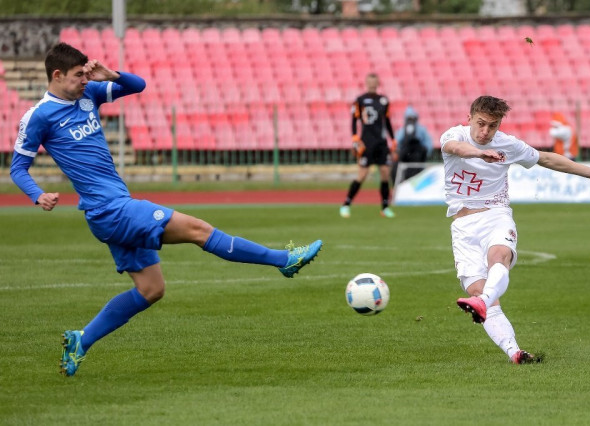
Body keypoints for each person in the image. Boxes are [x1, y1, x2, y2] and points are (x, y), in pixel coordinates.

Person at [10, 43, 323, 377]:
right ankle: (283, 260)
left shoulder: (89, 94)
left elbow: (138, 85)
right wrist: (37, 195)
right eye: (78, 75)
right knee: (199, 230)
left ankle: (81, 340)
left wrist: (111, 75)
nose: (84, 80)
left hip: (112, 210)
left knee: (151, 290)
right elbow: (18, 168)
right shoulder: (39, 116)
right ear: (57, 75)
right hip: (110, 210)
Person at [441, 95, 590, 364]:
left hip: (495, 215)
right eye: (481, 123)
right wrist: (479, 153)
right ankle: (515, 352)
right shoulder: (455, 135)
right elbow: (455, 148)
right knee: (478, 292)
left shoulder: (507, 144)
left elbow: (546, 158)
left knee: (499, 257)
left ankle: (483, 301)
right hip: (462, 227)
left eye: (493, 126)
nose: (486, 131)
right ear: (469, 119)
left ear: (500, 125)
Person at [340, 73, 397, 218]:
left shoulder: (383, 100)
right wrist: (354, 137)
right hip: (367, 142)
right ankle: (346, 204)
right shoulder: (360, 100)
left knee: (385, 173)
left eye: (374, 81)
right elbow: (354, 119)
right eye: (370, 81)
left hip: (381, 143)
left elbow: (387, 121)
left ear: (377, 83)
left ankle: (385, 207)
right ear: (366, 83)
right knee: (362, 175)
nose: (372, 84)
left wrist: (393, 139)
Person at [391, 105, 433, 184]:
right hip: (407, 154)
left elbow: (427, 143)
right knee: (398, 167)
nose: (411, 120)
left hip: (417, 154)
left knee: (418, 170)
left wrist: (425, 152)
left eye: (412, 118)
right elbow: (397, 143)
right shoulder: (402, 130)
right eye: (409, 118)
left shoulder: (421, 130)